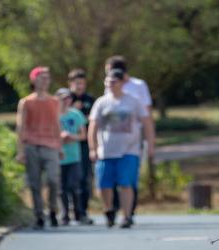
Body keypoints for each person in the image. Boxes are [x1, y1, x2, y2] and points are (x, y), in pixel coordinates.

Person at [88, 69, 156, 229]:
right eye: (107, 82)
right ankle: (108, 210)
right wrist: (93, 148)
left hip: (129, 150)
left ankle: (126, 216)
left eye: (113, 82)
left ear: (121, 83)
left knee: (125, 184)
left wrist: (150, 144)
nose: (110, 85)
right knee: (104, 185)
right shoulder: (101, 102)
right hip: (106, 151)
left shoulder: (133, 101)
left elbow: (147, 123)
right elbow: (93, 125)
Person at [103, 56, 153, 218]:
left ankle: (129, 208)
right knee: (112, 176)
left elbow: (146, 112)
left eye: (108, 68)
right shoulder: (110, 84)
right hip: (113, 137)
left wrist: (148, 137)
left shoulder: (138, 85)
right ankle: (116, 206)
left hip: (133, 135)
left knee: (130, 174)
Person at [16, 66, 63, 230]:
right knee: (35, 183)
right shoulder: (26, 102)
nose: (45, 81)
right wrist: (20, 150)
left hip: (50, 145)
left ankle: (53, 210)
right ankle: (38, 215)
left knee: (53, 179)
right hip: (32, 145)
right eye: (41, 77)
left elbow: (57, 124)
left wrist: (60, 146)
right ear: (34, 80)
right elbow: (21, 127)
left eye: (47, 78)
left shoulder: (54, 102)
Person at [56, 88, 88, 226]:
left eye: (68, 98)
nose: (65, 101)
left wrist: (71, 137)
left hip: (74, 156)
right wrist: (60, 138)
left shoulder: (76, 114)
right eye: (62, 98)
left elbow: (83, 135)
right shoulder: (53, 115)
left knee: (75, 186)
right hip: (58, 156)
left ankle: (79, 214)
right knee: (61, 188)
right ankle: (64, 215)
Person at [67, 69, 96, 225]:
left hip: (84, 145)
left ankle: (83, 212)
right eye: (77, 83)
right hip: (67, 146)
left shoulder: (90, 100)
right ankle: (69, 212)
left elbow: (93, 122)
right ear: (70, 83)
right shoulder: (65, 99)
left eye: (82, 83)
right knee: (69, 180)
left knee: (84, 178)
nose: (80, 86)